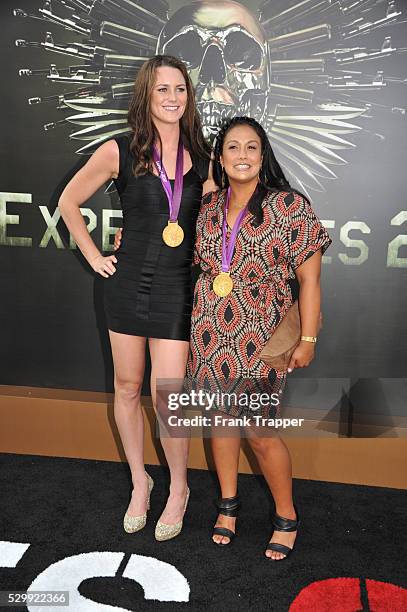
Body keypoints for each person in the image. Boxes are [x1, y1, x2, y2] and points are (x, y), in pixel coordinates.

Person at [58, 55, 214, 541]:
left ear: (189, 97)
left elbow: (217, 222)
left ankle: (180, 489)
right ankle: (140, 482)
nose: (173, 98)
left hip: (177, 290)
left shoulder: (205, 157)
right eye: (163, 89)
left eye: (181, 90)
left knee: (168, 397)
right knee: (126, 388)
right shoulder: (118, 151)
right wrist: (95, 258)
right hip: (125, 287)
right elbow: (68, 202)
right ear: (146, 94)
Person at [186, 116, 332, 560]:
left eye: (252, 147)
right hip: (210, 330)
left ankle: (286, 516)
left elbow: (309, 282)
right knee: (220, 421)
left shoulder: (290, 206)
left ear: (263, 154)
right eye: (233, 147)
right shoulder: (208, 208)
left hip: (261, 335)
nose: (243, 155)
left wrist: (306, 338)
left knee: (260, 431)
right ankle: (228, 507)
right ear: (220, 156)